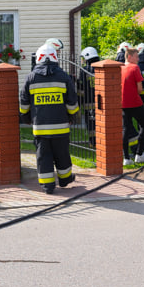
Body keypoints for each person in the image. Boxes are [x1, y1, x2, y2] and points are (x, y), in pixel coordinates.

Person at [19, 44, 79, 194]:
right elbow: (72, 102)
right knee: (62, 154)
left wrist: (26, 118)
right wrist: (72, 116)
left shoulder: (31, 78)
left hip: (40, 128)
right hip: (61, 127)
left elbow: (24, 103)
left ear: (38, 58)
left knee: (43, 156)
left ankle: (48, 185)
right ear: (55, 58)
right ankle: (65, 179)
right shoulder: (64, 76)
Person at [121, 46, 144, 164]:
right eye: (136, 56)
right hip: (135, 103)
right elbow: (140, 89)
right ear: (129, 56)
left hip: (122, 103)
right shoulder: (135, 68)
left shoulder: (120, 68)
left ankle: (126, 158)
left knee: (125, 129)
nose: (138, 59)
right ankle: (139, 154)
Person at [79, 46, 101, 144]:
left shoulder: (84, 70)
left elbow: (81, 88)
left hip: (89, 102)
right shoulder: (101, 68)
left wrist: (79, 103)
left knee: (91, 124)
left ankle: (93, 142)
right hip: (102, 102)